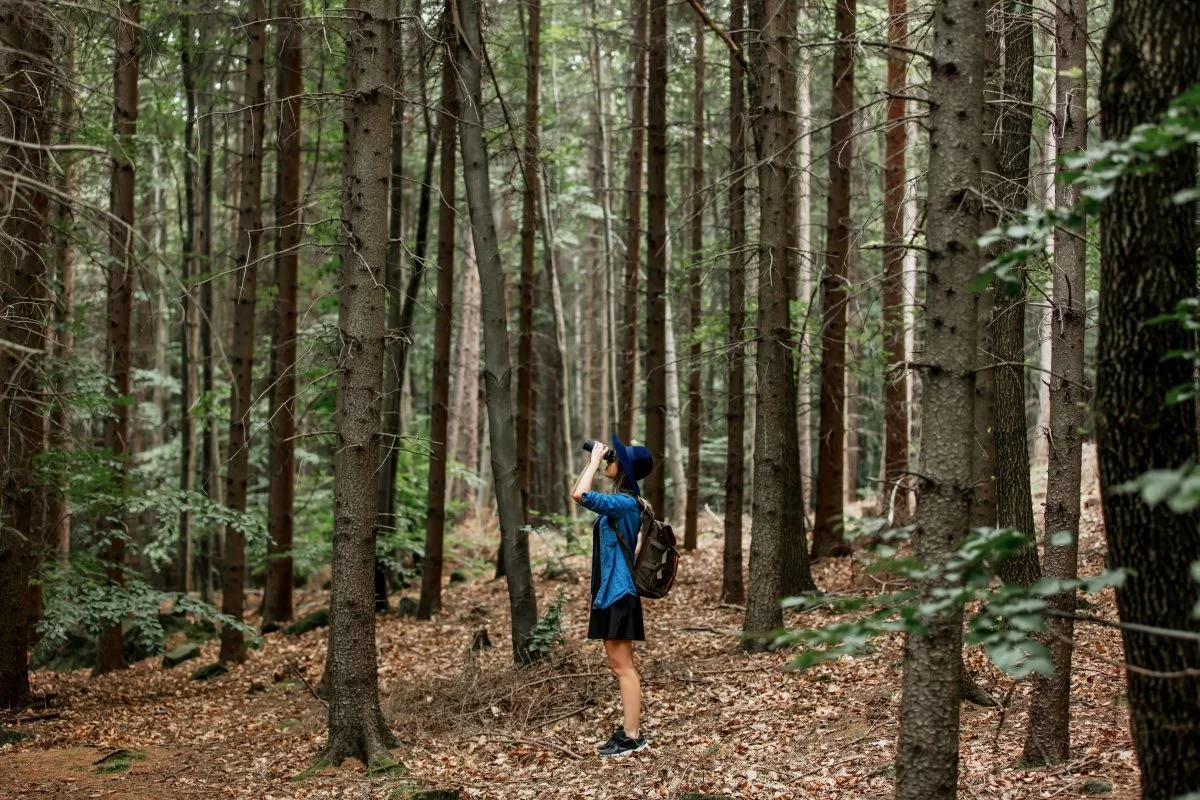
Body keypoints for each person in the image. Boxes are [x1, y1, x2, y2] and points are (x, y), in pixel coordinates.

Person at [570, 434, 654, 758]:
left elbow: (580, 494)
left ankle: (633, 736)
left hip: (619, 594)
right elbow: (577, 492)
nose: (607, 461)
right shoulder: (623, 502)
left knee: (623, 667)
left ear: (623, 470)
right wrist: (594, 458)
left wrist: (593, 462)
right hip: (611, 593)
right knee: (620, 666)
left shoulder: (625, 504)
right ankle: (631, 732)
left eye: (612, 459)